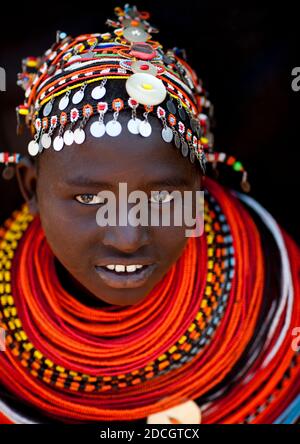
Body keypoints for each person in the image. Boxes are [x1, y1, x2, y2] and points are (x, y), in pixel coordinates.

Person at [0, 4, 299, 424]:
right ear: (31, 189)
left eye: (162, 198)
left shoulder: (275, 287)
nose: (127, 237)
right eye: (89, 200)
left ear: (199, 188)